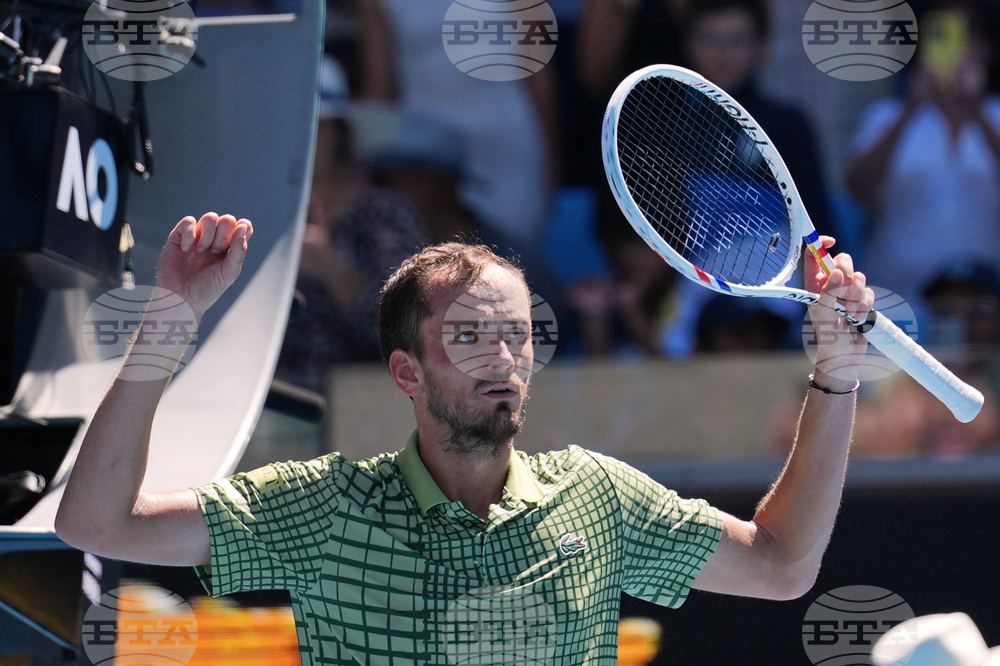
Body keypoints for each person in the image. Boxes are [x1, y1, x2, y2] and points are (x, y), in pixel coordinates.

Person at [55, 213, 875, 664]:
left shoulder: (600, 498)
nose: (505, 358)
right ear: (407, 373)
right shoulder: (321, 506)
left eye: (517, 334)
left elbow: (781, 565)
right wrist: (170, 325)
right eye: (472, 336)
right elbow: (95, 523)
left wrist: (837, 373)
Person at [845, 2, 1000, 308]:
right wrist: (912, 107)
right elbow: (857, 192)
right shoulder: (884, 115)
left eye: (970, 33)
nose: (959, 46)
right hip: (895, 297)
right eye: (940, 34)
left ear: (989, 47)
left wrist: (977, 110)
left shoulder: (995, 114)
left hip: (987, 302)